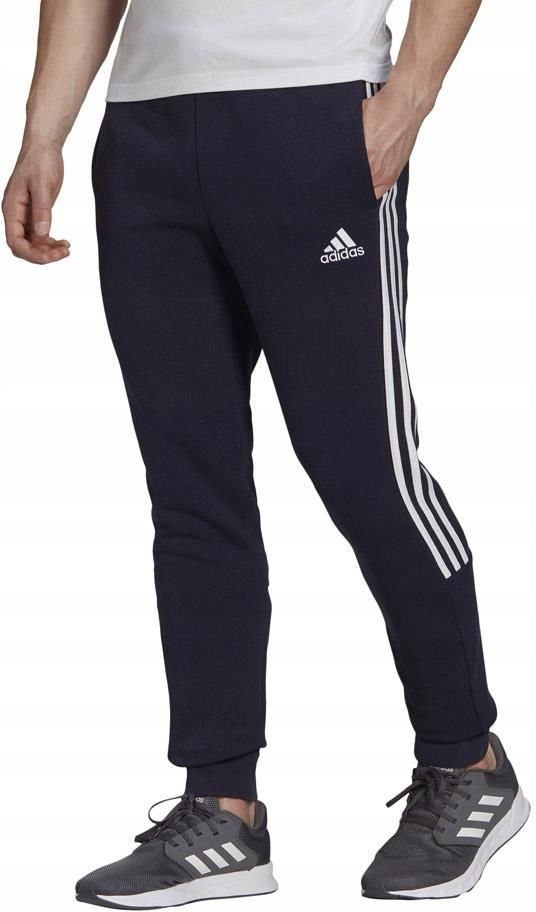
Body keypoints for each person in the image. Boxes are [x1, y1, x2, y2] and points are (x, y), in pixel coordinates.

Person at [3, 0, 530, 905]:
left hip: (315, 109)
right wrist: (43, 132)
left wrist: (408, 100)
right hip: (146, 133)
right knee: (190, 488)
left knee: (367, 470)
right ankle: (222, 808)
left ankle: (467, 761)